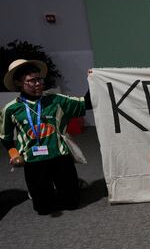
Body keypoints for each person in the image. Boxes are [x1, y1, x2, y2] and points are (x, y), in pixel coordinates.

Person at [0, 59, 91, 214]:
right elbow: (5, 136)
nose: (38, 84)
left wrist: (92, 81)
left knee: (71, 204)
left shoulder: (56, 100)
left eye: (39, 79)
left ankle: (70, 184)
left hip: (60, 156)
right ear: (18, 83)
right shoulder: (11, 109)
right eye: (32, 81)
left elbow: (86, 104)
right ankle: (37, 192)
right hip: (33, 161)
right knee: (43, 209)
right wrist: (14, 154)